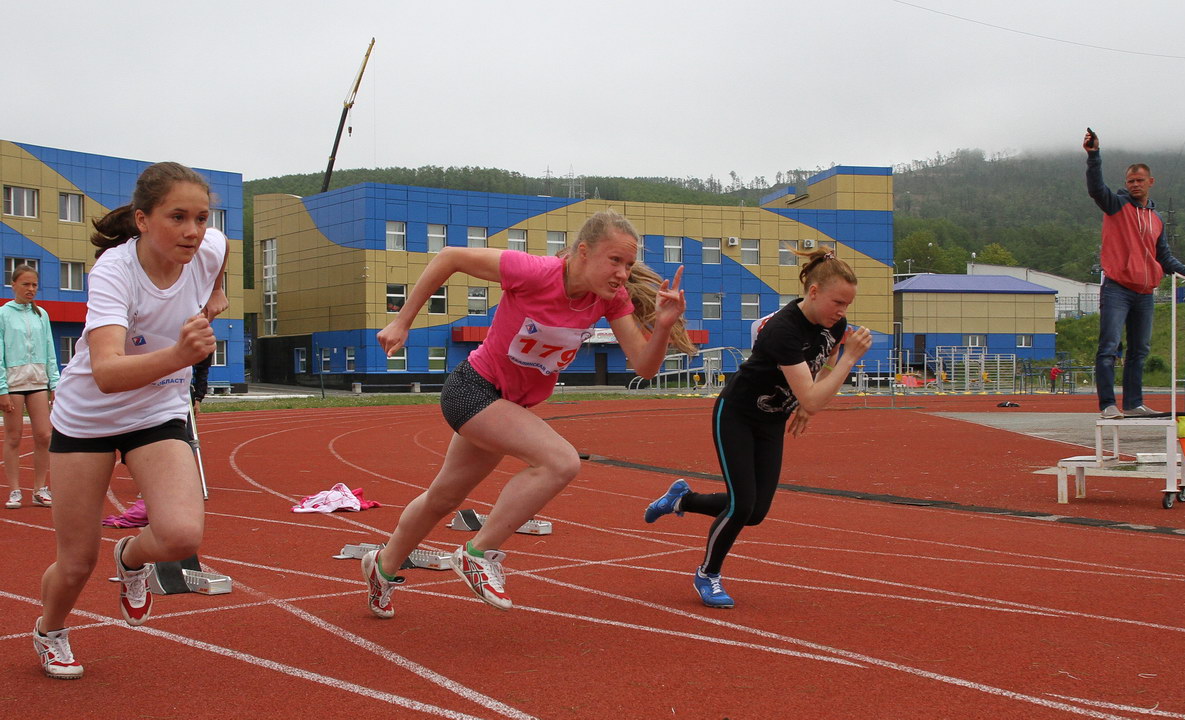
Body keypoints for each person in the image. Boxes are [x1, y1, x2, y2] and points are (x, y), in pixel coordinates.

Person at [363, 210, 691, 617]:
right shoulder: (534, 272)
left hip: (507, 406)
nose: (623, 274)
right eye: (615, 261)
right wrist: (402, 321)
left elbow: (643, 367)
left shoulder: (610, 300)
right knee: (560, 462)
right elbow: (448, 256)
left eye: (628, 264)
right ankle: (477, 553)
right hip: (472, 389)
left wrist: (661, 327)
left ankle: (382, 566)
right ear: (583, 253)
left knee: (443, 498)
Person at [32, 162, 228, 679]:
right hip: (88, 418)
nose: (192, 231)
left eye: (201, 217)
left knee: (182, 535)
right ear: (142, 220)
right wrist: (181, 354)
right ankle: (50, 629)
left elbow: (218, 268)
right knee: (76, 563)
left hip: (158, 410)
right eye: (177, 217)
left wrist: (215, 300)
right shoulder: (115, 272)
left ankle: (132, 558)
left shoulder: (210, 248)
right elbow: (108, 373)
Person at [644, 250, 872, 608]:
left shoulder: (835, 326)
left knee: (756, 512)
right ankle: (708, 574)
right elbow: (818, 390)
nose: (842, 311)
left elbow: (821, 370)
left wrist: (803, 405)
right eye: (837, 302)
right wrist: (848, 362)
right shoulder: (782, 331)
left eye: (847, 304)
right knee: (740, 505)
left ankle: (681, 499)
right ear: (813, 292)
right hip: (737, 415)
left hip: (771, 420)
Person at [1084, 128, 1185, 419]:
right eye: (1130, 181)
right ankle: (1108, 404)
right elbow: (1097, 189)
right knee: (1109, 346)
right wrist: (1094, 156)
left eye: (1139, 180)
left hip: (1145, 292)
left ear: (1150, 182)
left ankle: (1134, 404)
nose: (1135, 184)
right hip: (1117, 288)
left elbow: (1164, 256)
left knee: (1139, 351)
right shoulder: (1116, 205)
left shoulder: (1156, 219)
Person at [1, 265, 60, 510]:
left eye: (34, 285)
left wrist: (54, 382)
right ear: (13, 285)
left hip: (37, 382)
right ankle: (15, 490)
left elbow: (49, 349)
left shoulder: (41, 314)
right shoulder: (3, 314)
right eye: (25, 284)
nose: (31, 289)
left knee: (44, 435)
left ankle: (39, 488)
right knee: (13, 438)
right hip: (13, 383)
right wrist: (2, 388)